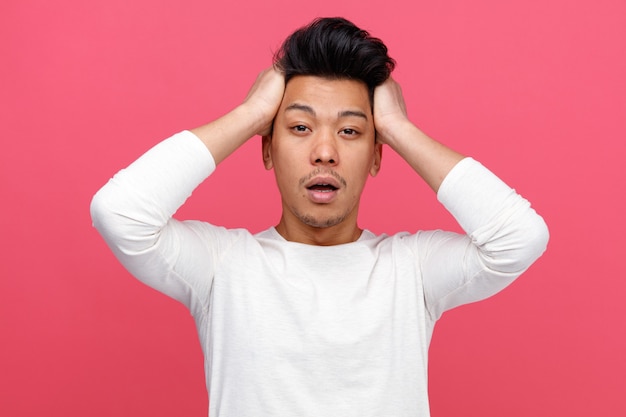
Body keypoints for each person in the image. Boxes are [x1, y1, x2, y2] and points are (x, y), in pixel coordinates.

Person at [91, 17, 549, 417]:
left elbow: (519, 238)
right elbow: (120, 213)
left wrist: (397, 128)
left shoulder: (409, 269)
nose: (325, 152)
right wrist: (251, 113)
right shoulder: (222, 266)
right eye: (300, 128)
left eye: (350, 131)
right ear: (268, 148)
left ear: (376, 157)